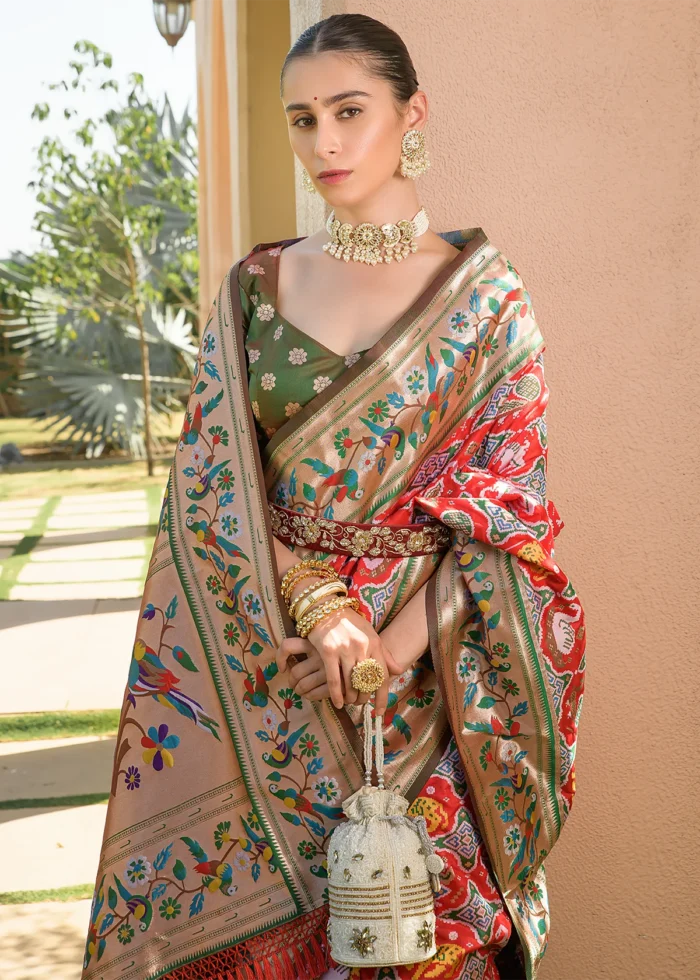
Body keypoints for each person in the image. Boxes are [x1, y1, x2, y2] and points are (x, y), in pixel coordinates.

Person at [81, 13, 586, 980]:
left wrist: (384, 650)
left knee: (423, 929)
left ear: (412, 113)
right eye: (303, 119)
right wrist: (318, 611)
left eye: (350, 111)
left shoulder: (487, 300)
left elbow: (509, 515)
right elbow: (213, 488)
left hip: (435, 668)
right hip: (274, 652)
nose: (326, 143)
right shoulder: (257, 288)